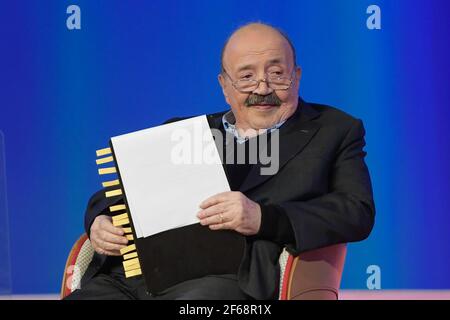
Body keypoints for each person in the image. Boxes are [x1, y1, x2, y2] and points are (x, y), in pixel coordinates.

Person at [65, 22, 375, 300]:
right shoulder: (181, 131)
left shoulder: (334, 129)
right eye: (246, 76)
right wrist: (99, 221)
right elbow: (117, 195)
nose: (262, 88)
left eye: (277, 73)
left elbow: (356, 211)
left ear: (296, 76)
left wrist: (263, 218)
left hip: (228, 281)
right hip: (133, 280)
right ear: (225, 86)